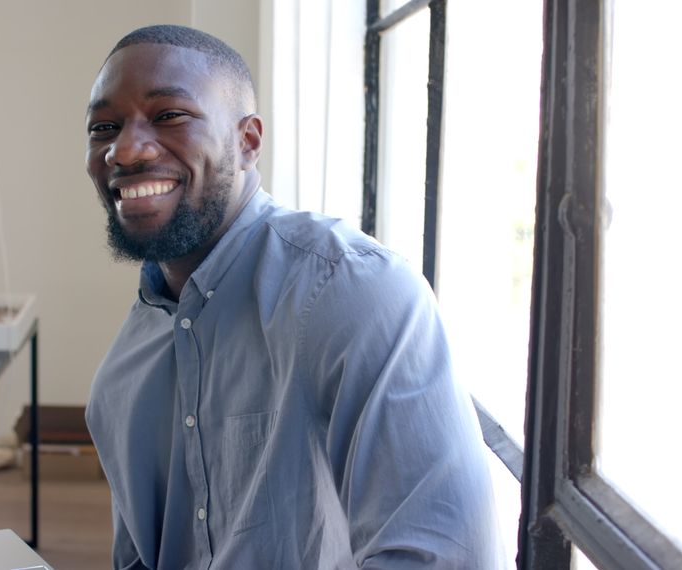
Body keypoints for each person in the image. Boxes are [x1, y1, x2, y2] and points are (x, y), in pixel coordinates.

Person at [83, 24, 502, 569]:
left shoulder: (354, 290)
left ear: (248, 142)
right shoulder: (123, 370)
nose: (124, 149)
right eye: (104, 127)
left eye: (170, 115)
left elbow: (443, 557)